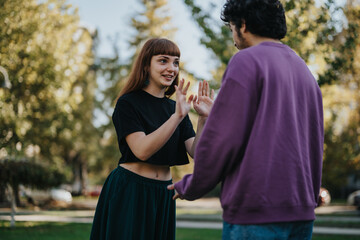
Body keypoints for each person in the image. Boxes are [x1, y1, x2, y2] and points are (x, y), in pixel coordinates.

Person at [168, 0, 324, 239]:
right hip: (302, 212)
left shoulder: (247, 61)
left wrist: (192, 184)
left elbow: (223, 141)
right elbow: (314, 143)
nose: (232, 38)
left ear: (242, 25)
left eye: (231, 29)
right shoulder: (305, 72)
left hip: (256, 210)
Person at [89, 38, 214, 240]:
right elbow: (142, 150)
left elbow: (198, 153)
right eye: (163, 61)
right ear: (146, 65)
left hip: (164, 193)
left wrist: (203, 119)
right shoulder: (128, 103)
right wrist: (176, 117)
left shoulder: (176, 108)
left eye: (175, 62)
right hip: (131, 190)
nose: (171, 68)